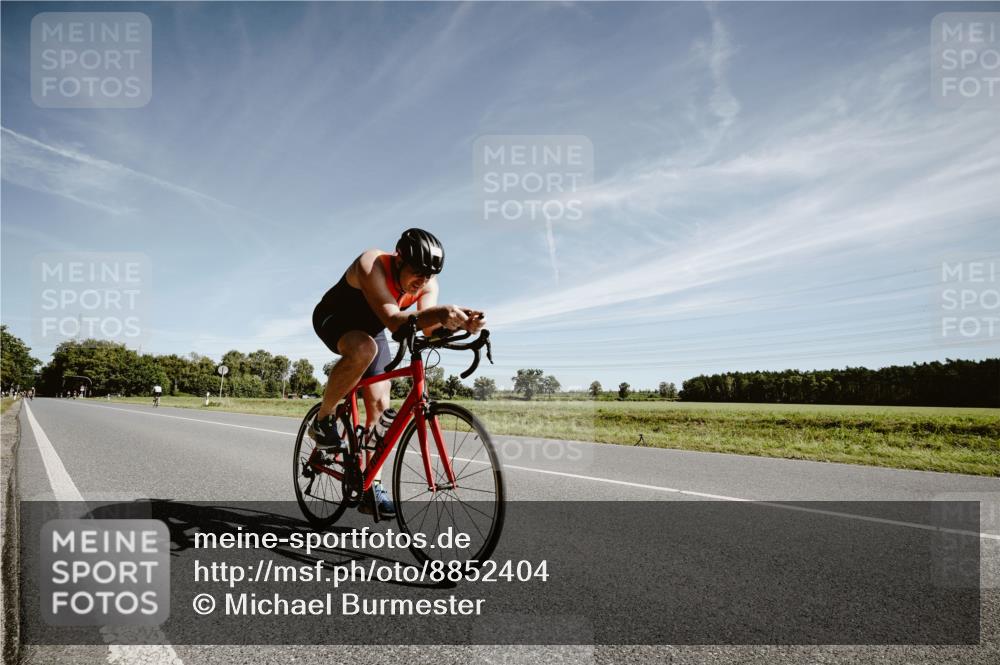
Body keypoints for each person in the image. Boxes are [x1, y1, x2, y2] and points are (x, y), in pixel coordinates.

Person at [311, 228, 486, 516]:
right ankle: (324, 418)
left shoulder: (427, 284)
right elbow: (395, 321)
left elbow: (428, 328)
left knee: (381, 408)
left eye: (429, 275)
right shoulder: (372, 263)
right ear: (399, 259)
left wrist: (464, 324)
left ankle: (371, 488)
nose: (423, 281)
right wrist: (442, 313)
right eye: (417, 271)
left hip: (373, 329)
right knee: (365, 349)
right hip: (335, 317)